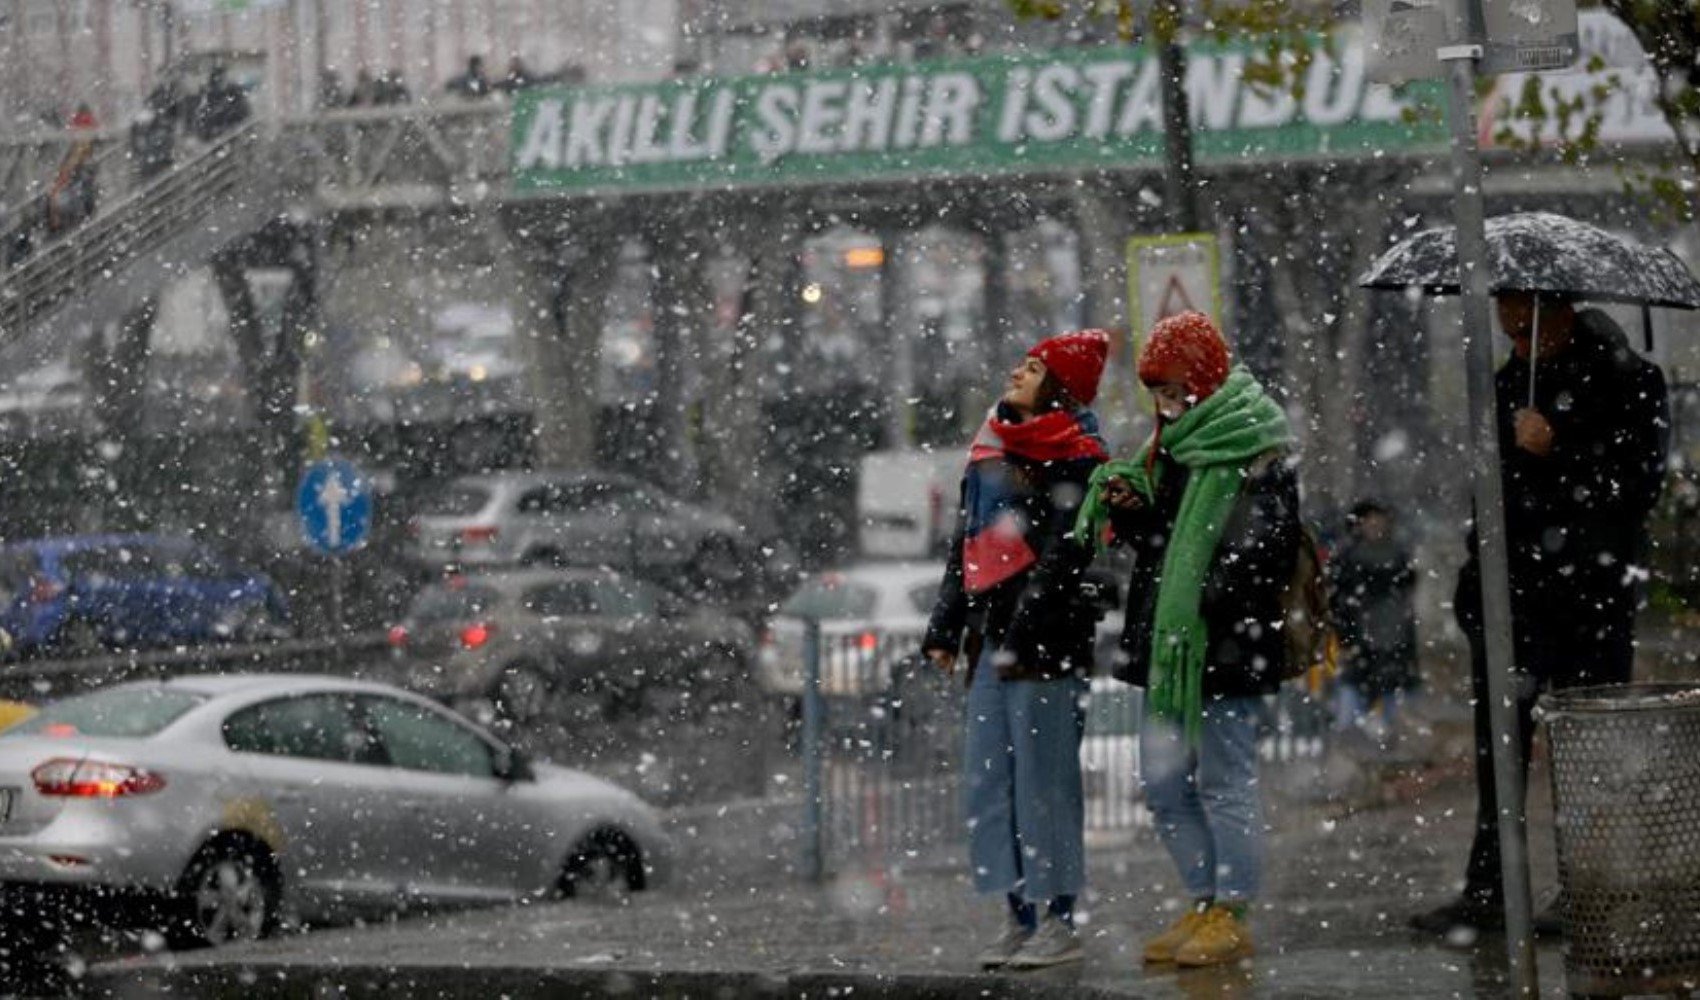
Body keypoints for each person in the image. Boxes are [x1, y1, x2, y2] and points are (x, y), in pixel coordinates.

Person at [1410, 291, 1670, 940]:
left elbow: (1636, 486)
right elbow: (1492, 494)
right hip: (1511, 602)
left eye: (1523, 320)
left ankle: (1589, 888)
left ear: (1557, 312)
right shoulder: (1506, 383)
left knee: (1584, 756)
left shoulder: (1629, 379)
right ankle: (1490, 890)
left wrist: (1557, 448)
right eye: (1504, 318)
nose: (1512, 334)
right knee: (1498, 752)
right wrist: (1475, 587)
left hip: (1589, 600)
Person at [1073, 311, 1298, 968]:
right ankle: (1203, 902)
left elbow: (1266, 554)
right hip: (1171, 644)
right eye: (1158, 394)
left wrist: (1204, 590)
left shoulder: (1257, 446)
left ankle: (1233, 909)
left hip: (1226, 644)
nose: (1167, 406)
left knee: (1226, 780)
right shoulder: (1170, 448)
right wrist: (1133, 512)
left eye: (1175, 390)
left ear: (1204, 379)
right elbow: (1160, 546)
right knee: (1164, 781)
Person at [922, 329, 1111, 971]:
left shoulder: (1078, 456)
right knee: (988, 782)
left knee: (1044, 782)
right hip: (990, 641)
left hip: (1046, 645)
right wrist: (947, 627)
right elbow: (965, 546)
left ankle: (1058, 915)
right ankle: (1017, 912)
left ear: (1059, 386)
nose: (1017, 372)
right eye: (1022, 361)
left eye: (1033, 368)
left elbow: (1069, 547)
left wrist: (1028, 614)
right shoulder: (990, 448)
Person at [1328, 499, 1419, 735]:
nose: (1375, 527)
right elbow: (1338, 603)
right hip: (1363, 642)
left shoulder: (1396, 555)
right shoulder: (1349, 558)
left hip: (1390, 642)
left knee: (1391, 713)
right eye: (1370, 522)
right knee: (1352, 710)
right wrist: (1346, 638)